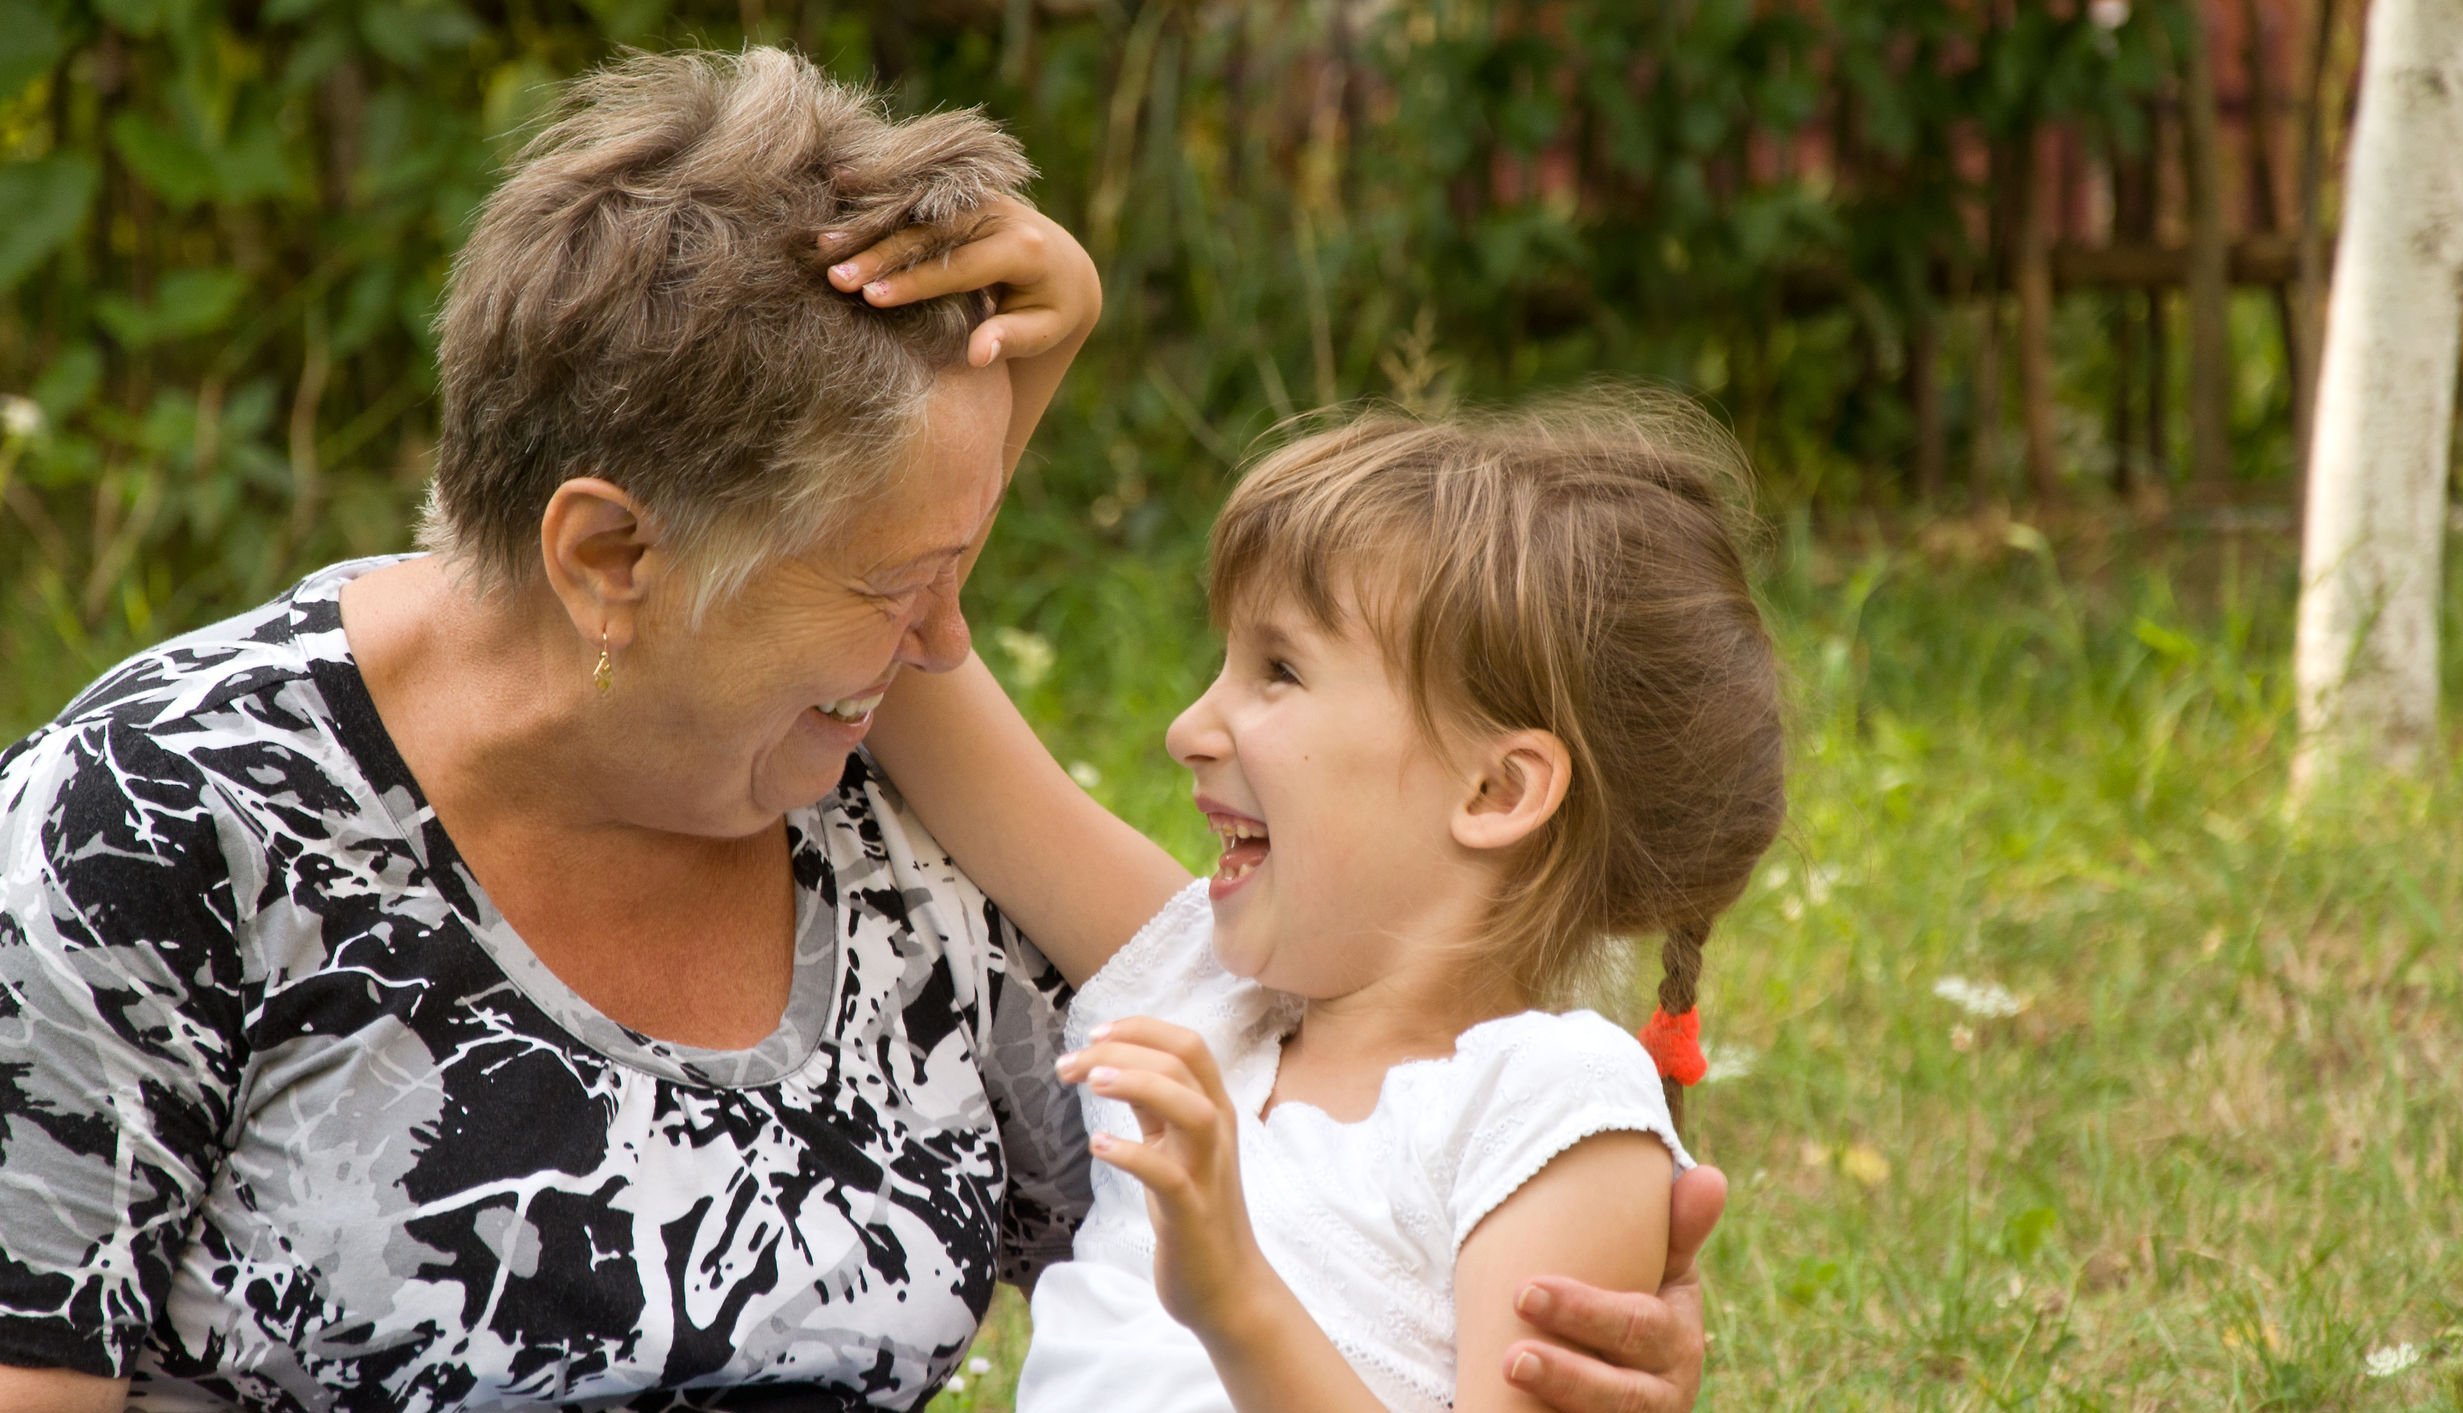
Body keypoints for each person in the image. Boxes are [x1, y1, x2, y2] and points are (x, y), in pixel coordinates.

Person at [0, 48, 1718, 1413]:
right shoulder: (154, 827)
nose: (931, 649)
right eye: (897, 584)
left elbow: (1319, 1218)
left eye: (950, 575)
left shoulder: (877, 814)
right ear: (608, 557)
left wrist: (1549, 1295)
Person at [861, 394, 1785, 1411]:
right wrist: (1045, 333)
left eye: (1280, 670)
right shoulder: (1192, 989)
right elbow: (894, 636)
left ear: (1495, 792)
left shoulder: (1551, 1107)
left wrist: (1238, 1302)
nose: (1186, 729)